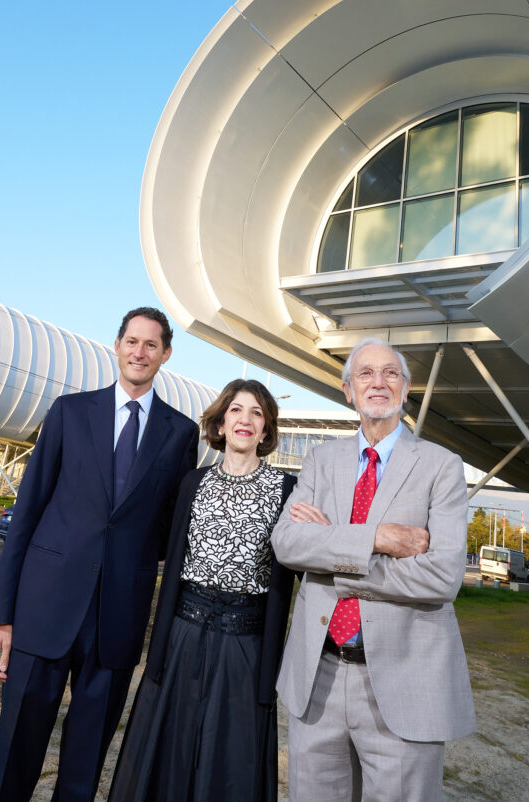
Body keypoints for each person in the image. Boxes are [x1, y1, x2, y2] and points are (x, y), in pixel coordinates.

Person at [0, 307, 199, 802]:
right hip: (44, 610)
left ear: (165, 354)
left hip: (117, 620)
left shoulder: (180, 434)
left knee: (84, 766)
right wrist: (3, 618)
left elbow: (172, 528)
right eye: (132, 341)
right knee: (16, 748)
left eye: (151, 344)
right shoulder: (68, 412)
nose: (139, 352)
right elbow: (27, 513)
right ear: (117, 346)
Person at [272, 337, 476, 802]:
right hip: (318, 677)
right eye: (365, 373)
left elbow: (441, 577)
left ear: (406, 390)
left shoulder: (442, 468)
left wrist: (332, 558)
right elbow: (287, 542)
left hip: (403, 680)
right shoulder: (322, 461)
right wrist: (378, 539)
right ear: (348, 390)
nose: (378, 382)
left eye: (390, 373)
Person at [108, 379, 295, 802]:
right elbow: (169, 557)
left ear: (265, 430)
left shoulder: (287, 490)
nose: (244, 419)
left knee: (229, 760)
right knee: (167, 750)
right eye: (235, 410)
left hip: (245, 646)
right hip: (183, 637)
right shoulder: (193, 484)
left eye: (256, 413)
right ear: (221, 423)